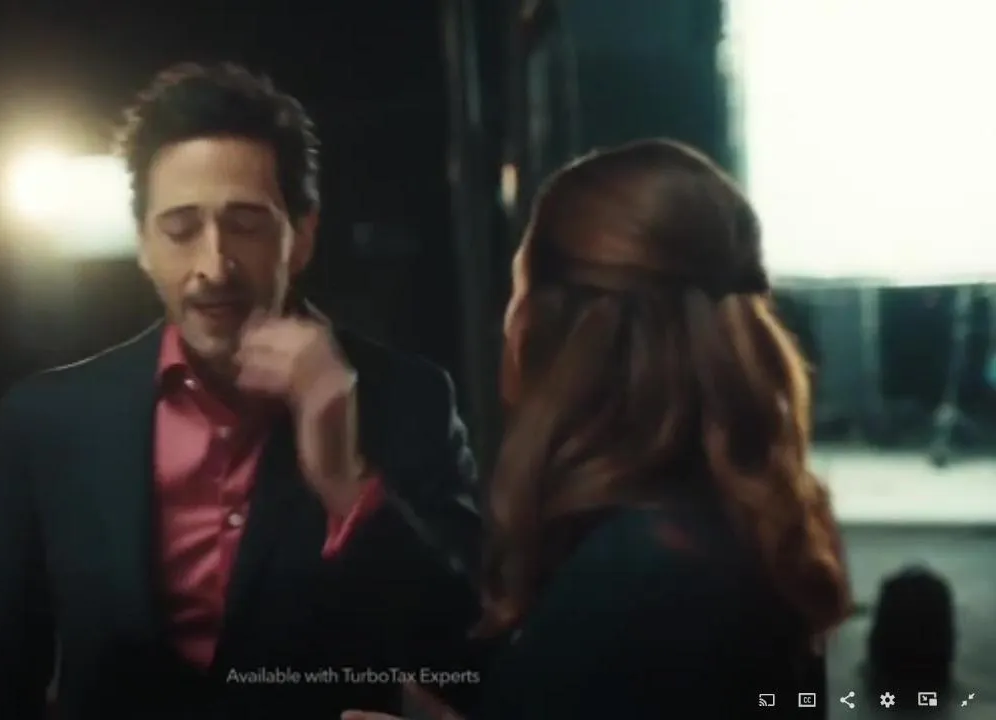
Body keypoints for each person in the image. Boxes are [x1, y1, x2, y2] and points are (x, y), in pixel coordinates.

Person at [0, 63, 483, 720]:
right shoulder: (51, 421)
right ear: (143, 244)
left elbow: (465, 664)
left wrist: (346, 480)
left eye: (247, 224)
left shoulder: (407, 401)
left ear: (302, 237)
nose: (214, 266)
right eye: (181, 230)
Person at [345, 139, 852, 720]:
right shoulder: (715, 531)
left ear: (557, 329)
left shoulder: (638, 573)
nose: (506, 320)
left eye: (516, 286)